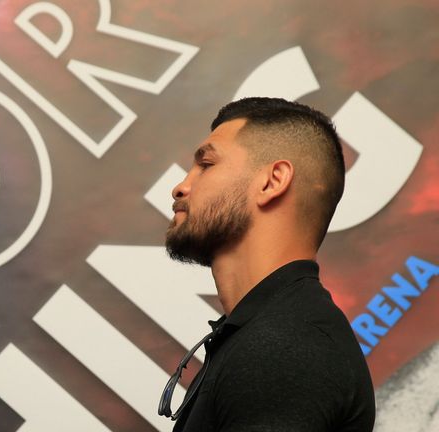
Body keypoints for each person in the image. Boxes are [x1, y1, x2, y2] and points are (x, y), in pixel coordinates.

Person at [159, 97, 376, 431]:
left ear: (273, 181)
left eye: (206, 164)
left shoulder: (285, 349)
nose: (181, 187)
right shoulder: (264, 334)